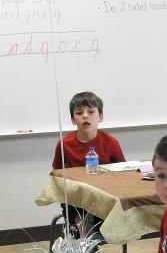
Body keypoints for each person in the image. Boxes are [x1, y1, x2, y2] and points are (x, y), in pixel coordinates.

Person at [51, 91, 126, 241]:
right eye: (79, 113)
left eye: (91, 112)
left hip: (103, 196)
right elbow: (56, 174)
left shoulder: (111, 142)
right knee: (78, 209)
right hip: (76, 199)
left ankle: (91, 238)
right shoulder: (64, 143)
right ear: (73, 119)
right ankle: (85, 235)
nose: (85, 116)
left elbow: (123, 173)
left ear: (100, 117)